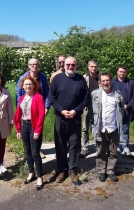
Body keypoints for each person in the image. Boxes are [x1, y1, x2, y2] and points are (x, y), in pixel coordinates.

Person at [49, 56, 89, 186]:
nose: (70, 67)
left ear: (76, 66)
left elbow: (85, 99)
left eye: (73, 65)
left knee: (73, 145)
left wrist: (75, 111)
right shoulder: (57, 79)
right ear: (64, 65)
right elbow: (52, 97)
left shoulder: (81, 80)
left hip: (75, 118)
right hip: (60, 118)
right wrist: (61, 110)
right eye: (68, 65)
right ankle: (62, 170)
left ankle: (72, 170)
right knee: (60, 145)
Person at [91, 72, 124, 182]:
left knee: (113, 151)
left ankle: (110, 170)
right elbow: (91, 111)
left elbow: (120, 112)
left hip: (113, 127)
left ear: (111, 81)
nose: (105, 82)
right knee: (100, 151)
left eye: (107, 80)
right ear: (100, 82)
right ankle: (101, 170)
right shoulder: (95, 94)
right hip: (100, 127)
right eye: (103, 80)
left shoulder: (117, 95)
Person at [14, 76, 45, 190]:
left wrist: (37, 130)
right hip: (24, 126)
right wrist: (18, 129)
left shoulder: (38, 97)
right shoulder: (22, 98)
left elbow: (41, 115)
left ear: (34, 85)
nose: (28, 86)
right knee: (27, 151)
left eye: (30, 84)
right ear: (23, 86)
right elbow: (18, 114)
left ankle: (40, 176)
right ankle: (31, 173)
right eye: (25, 84)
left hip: (34, 126)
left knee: (35, 152)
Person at [16, 58, 50, 159]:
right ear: (28, 66)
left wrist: (46, 107)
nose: (34, 66)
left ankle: (37, 150)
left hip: (39, 106)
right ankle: (31, 153)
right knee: (28, 130)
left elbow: (47, 93)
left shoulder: (42, 77)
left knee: (38, 129)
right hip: (27, 107)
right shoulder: (23, 77)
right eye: (32, 64)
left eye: (36, 64)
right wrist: (20, 108)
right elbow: (18, 94)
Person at [113, 65, 134, 155]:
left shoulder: (130, 82)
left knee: (125, 128)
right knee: (116, 128)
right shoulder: (112, 82)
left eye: (123, 72)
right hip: (115, 110)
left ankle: (125, 146)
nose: (122, 73)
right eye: (120, 71)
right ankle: (117, 145)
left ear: (126, 73)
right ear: (117, 72)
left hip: (127, 109)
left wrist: (128, 105)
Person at [80, 59, 99, 158]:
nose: (93, 68)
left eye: (95, 66)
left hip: (98, 106)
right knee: (84, 127)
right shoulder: (84, 77)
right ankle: (84, 148)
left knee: (97, 126)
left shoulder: (101, 78)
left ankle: (98, 146)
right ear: (88, 67)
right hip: (86, 106)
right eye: (92, 66)